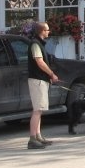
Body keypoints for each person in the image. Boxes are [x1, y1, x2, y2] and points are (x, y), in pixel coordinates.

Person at [27, 21, 59, 149]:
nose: (48, 32)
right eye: (47, 30)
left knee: (39, 110)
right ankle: (32, 139)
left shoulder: (39, 44)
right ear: (41, 31)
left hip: (41, 80)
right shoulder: (35, 44)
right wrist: (52, 74)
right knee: (37, 110)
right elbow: (40, 62)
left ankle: (38, 136)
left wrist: (48, 77)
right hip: (37, 80)